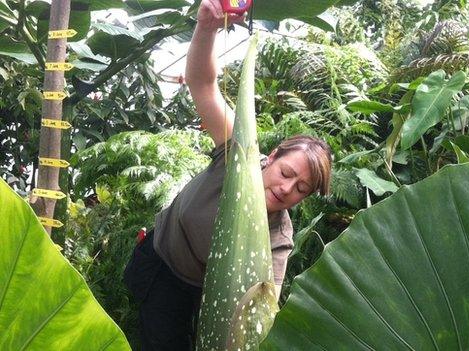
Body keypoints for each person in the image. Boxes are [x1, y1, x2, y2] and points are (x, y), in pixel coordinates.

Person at [123, 0, 333, 350]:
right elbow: (202, 83)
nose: (286, 189)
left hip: (201, 288)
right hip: (161, 256)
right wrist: (206, 27)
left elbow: (267, 303)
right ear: (273, 155)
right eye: (286, 172)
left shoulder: (278, 235)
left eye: (301, 189)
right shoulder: (239, 155)